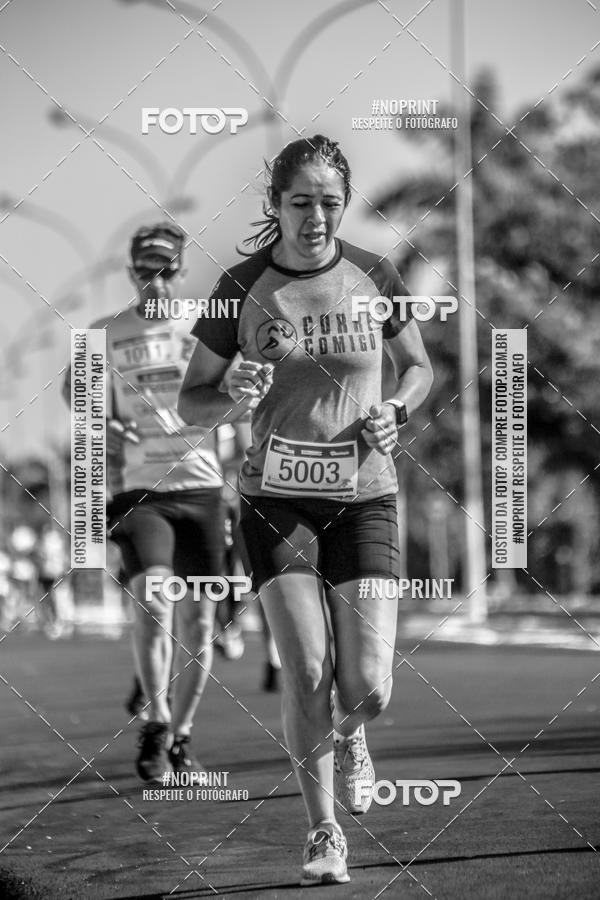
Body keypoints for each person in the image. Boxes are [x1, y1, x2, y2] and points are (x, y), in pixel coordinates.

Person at [178, 135, 434, 885]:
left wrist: (397, 408)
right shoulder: (241, 286)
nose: (316, 217)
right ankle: (323, 833)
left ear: (342, 204)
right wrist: (230, 395)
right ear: (275, 205)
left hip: (366, 498)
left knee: (371, 686)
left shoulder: (374, 275)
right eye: (300, 202)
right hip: (276, 501)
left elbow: (418, 367)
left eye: (329, 202)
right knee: (306, 668)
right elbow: (191, 404)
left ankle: (353, 736)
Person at [63, 223, 228, 783]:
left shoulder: (206, 329)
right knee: (155, 604)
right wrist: (96, 417)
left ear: (182, 272)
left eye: (165, 272)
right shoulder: (104, 332)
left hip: (203, 489)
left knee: (199, 623)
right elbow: (72, 389)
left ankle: (182, 737)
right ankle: (155, 728)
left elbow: (238, 395)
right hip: (140, 492)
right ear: (131, 274)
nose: (153, 284)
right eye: (142, 274)